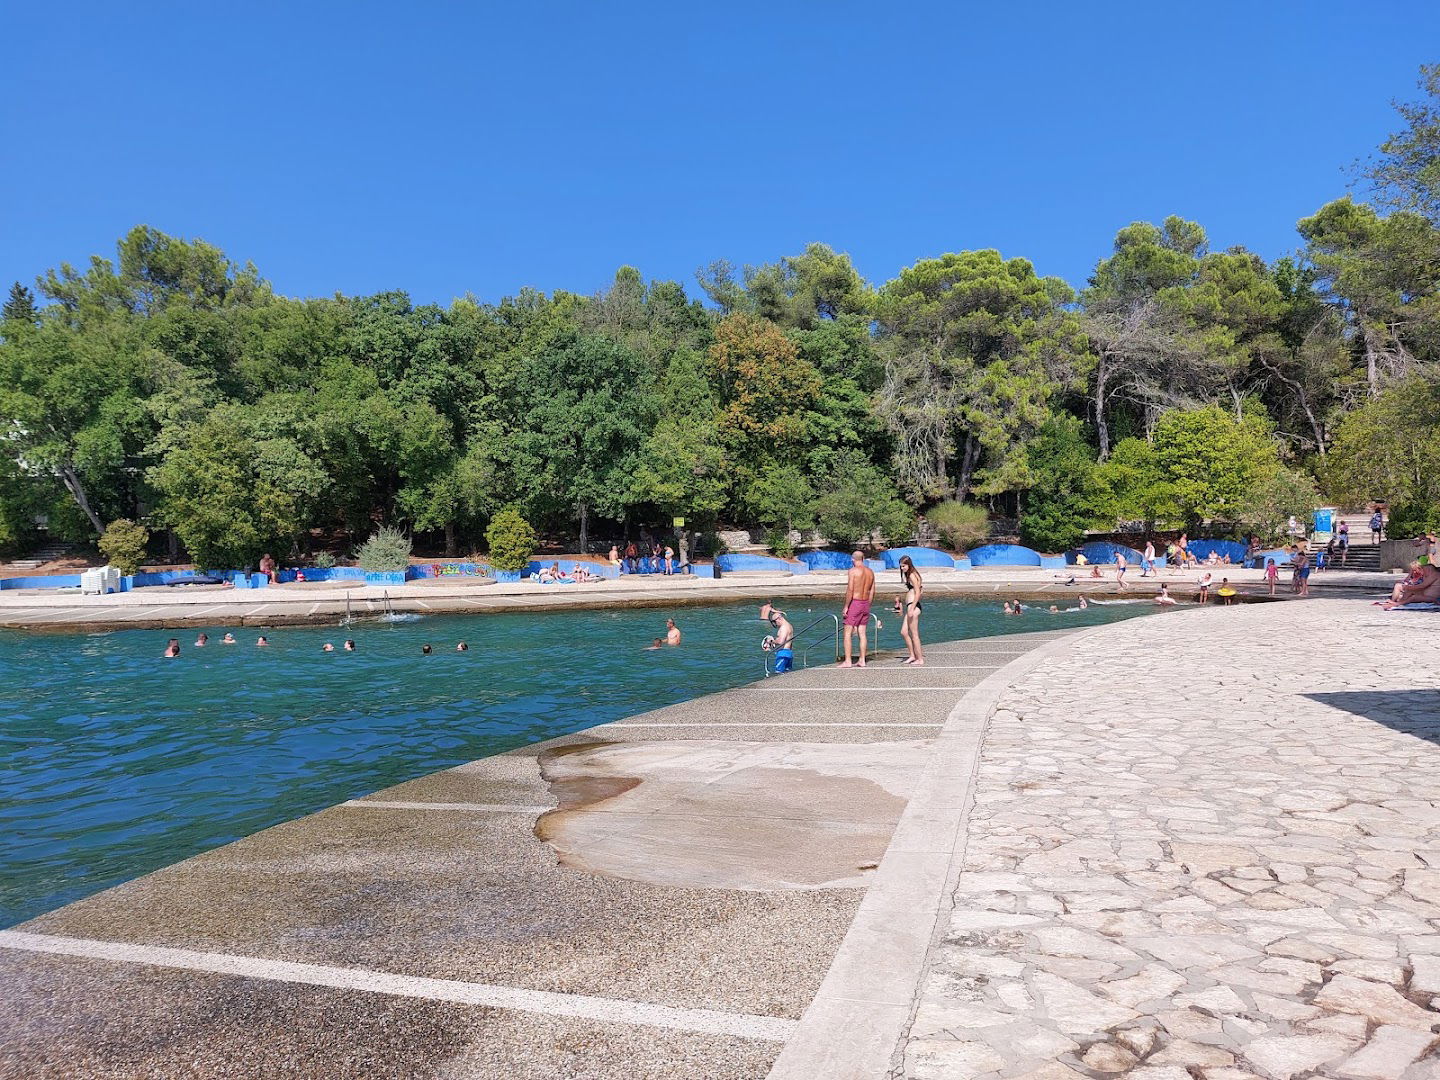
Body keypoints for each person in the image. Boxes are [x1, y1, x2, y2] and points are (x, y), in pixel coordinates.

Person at [839, 550, 876, 667]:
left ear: (852, 560)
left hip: (855, 602)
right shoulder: (870, 572)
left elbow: (850, 589)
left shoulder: (853, 571)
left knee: (847, 633)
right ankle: (862, 660)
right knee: (862, 633)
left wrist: (846, 606)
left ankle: (848, 661)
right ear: (863, 559)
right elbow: (872, 591)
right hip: (865, 603)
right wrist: (868, 605)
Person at [897, 554, 925, 665]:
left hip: (913, 607)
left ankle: (920, 659)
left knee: (914, 634)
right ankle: (912, 655)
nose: (902, 568)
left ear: (908, 565)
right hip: (911, 606)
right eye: (901, 566)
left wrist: (912, 608)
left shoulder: (912, 575)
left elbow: (918, 592)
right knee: (904, 632)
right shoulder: (911, 575)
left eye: (903, 566)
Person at [760, 603, 795, 672]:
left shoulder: (783, 628)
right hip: (789, 653)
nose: (775, 624)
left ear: (779, 618)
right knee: (788, 673)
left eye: (775, 622)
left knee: (779, 673)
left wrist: (771, 641)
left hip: (783, 654)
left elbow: (780, 641)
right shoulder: (789, 625)